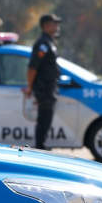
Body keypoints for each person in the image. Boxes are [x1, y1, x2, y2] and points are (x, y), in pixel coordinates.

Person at [24, 14, 61, 150]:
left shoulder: (49, 42)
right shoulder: (42, 44)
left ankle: (42, 145)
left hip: (50, 87)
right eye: (54, 23)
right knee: (44, 119)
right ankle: (40, 147)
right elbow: (33, 67)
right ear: (45, 25)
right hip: (44, 88)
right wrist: (30, 87)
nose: (57, 26)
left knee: (47, 118)